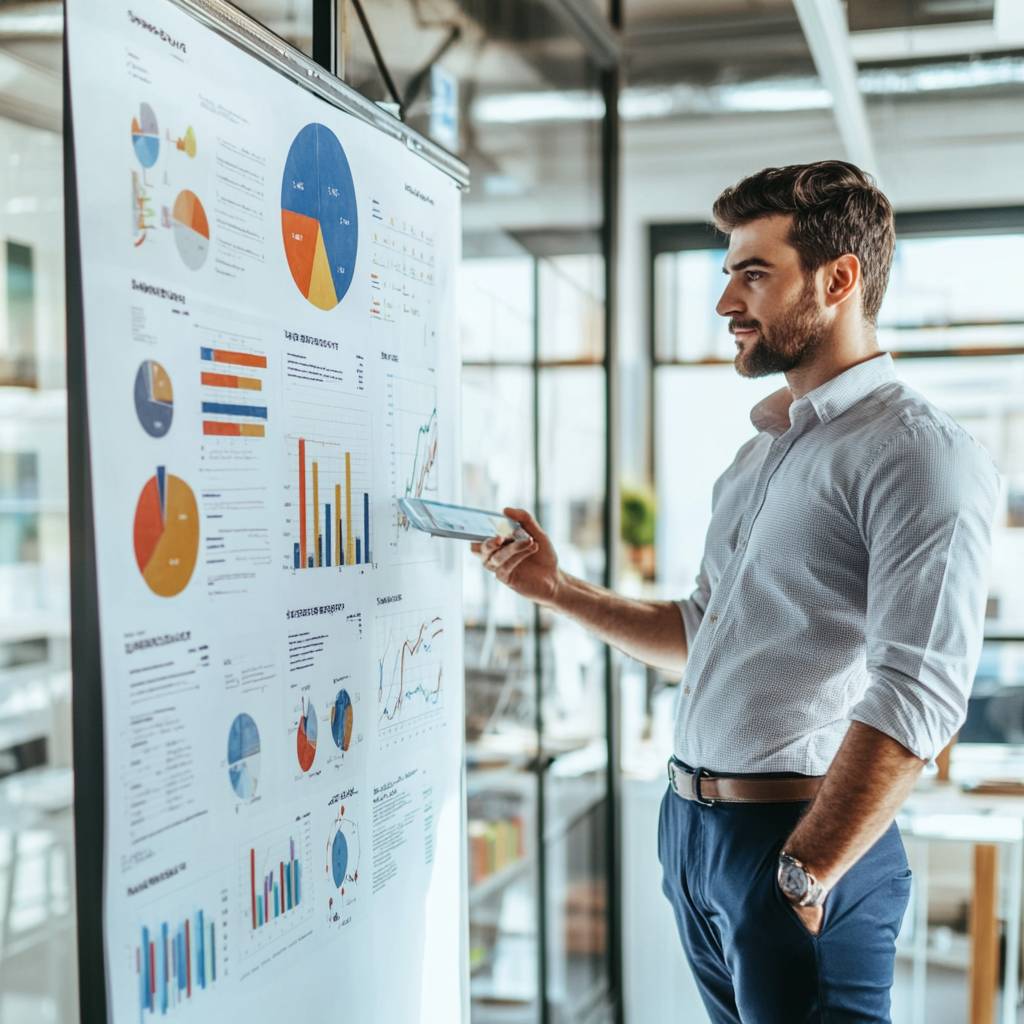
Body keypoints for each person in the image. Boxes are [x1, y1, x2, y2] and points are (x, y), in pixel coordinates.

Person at [472, 160, 999, 1023]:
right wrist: (558, 589)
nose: (726, 303)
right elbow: (701, 629)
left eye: (754, 274)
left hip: (798, 838)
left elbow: (920, 694)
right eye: (727, 274)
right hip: (700, 836)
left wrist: (806, 869)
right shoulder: (761, 455)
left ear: (838, 280)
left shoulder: (918, 452)